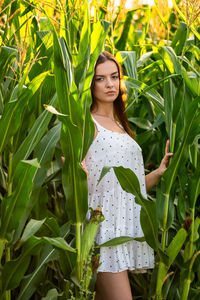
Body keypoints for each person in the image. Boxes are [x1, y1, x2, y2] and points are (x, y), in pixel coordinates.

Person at [84, 51, 173, 300]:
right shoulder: (87, 123)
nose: (110, 84)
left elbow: (129, 187)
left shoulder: (122, 126)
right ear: (90, 84)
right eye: (100, 79)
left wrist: (158, 172)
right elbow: (74, 173)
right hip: (103, 232)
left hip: (123, 229)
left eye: (114, 76)